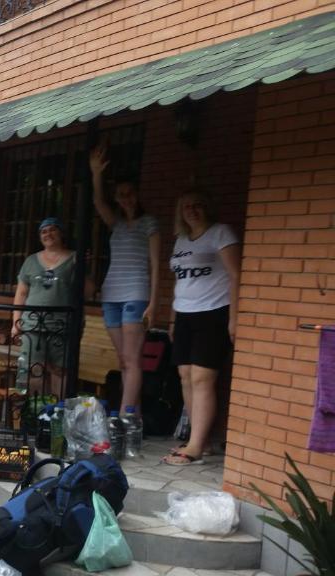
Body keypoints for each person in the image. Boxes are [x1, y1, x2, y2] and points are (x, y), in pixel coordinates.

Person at [163, 191, 239, 466]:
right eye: (186, 207)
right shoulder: (181, 240)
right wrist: (172, 319)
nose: (192, 210)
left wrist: (234, 316)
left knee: (201, 379)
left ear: (207, 208)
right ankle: (200, 440)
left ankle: (193, 446)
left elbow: (235, 275)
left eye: (197, 205)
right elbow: (179, 283)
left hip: (214, 313)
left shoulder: (221, 233)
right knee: (185, 376)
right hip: (184, 314)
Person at [90, 145, 161, 413]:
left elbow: (155, 264)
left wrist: (154, 303)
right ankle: (135, 419)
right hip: (111, 296)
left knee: (132, 360)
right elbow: (98, 203)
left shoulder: (150, 223)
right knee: (124, 361)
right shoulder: (117, 223)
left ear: (137, 194)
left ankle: (122, 419)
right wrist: (96, 173)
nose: (125, 199)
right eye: (120, 195)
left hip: (136, 295)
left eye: (129, 193)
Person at [11, 218, 79, 394]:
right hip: (32, 324)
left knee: (60, 370)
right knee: (33, 369)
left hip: (61, 325)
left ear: (61, 233)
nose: (48, 234)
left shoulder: (74, 258)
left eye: (52, 230)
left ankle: (57, 412)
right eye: (43, 231)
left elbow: (85, 292)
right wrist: (16, 322)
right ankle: (35, 413)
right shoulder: (31, 261)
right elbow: (21, 293)